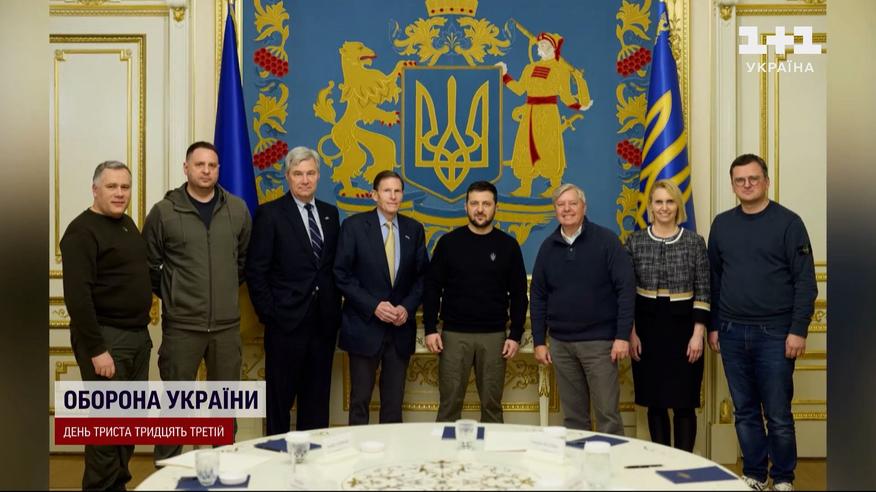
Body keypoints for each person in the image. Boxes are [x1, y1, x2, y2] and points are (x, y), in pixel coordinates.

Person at [707, 154, 816, 491]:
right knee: (745, 411)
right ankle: (755, 473)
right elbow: (714, 279)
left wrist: (798, 330)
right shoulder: (722, 225)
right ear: (733, 185)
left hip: (776, 334)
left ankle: (783, 478)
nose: (747, 185)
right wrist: (714, 325)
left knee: (778, 414)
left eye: (753, 178)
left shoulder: (789, 223)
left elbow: (805, 282)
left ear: (766, 181)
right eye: (740, 180)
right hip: (730, 331)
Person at [142, 141, 252, 460]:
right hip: (182, 327)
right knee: (176, 409)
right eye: (199, 164)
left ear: (219, 170)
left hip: (226, 329)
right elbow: (148, 264)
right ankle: (167, 472)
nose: (206, 171)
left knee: (224, 408)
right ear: (186, 168)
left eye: (212, 165)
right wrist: (174, 293)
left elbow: (243, 262)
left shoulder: (237, 209)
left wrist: (222, 291)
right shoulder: (164, 211)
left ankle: (223, 472)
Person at [60, 161, 154, 490]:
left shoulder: (126, 223)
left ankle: (117, 485)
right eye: (111, 186)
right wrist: (97, 349)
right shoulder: (81, 231)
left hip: (136, 337)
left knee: (130, 421)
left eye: (125, 187)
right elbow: (77, 297)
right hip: (106, 340)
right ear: (95, 189)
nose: (119, 193)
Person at [245, 146, 341, 434]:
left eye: (310, 173)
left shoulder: (330, 214)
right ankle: (277, 455)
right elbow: (256, 270)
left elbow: (331, 268)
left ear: (319, 176)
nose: (305, 180)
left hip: (323, 325)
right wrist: (271, 315)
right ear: (287, 176)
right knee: (279, 402)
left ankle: (313, 457)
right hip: (285, 325)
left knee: (316, 402)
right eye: (298, 174)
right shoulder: (270, 214)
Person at [530, 183, 635, 434]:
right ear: (555, 210)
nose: (567, 209)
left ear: (584, 207)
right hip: (561, 345)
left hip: (600, 344)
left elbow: (626, 289)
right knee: (574, 420)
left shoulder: (606, 241)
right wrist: (539, 341)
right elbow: (538, 296)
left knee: (607, 416)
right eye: (561, 204)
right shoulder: (548, 247)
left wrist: (622, 336)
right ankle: (578, 461)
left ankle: (613, 460)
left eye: (572, 203)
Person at [423, 181, 528, 423]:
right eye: (474, 203)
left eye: (486, 204)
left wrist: (515, 334)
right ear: (466, 206)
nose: (480, 209)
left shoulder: (508, 246)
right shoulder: (448, 243)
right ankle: (446, 449)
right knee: (449, 406)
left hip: (494, 337)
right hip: (453, 336)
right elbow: (432, 288)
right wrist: (430, 328)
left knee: (492, 407)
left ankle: (492, 449)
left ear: (496, 207)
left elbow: (519, 293)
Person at [333, 170, 428, 425]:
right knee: (359, 401)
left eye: (397, 191)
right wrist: (374, 306)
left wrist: (407, 307)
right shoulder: (353, 227)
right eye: (387, 191)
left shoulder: (414, 229)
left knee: (393, 404)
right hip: (364, 328)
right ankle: (357, 451)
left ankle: (391, 452)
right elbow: (341, 275)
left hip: (399, 330)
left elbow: (423, 277)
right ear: (375, 195)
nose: (393, 196)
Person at [625, 179, 709, 452]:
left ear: (678, 206)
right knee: (655, 402)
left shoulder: (695, 242)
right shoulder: (635, 241)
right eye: (659, 202)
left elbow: (704, 289)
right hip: (646, 331)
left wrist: (698, 335)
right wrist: (631, 333)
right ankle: (663, 461)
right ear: (650, 206)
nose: (664, 207)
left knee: (684, 403)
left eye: (670, 201)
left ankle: (684, 463)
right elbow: (626, 293)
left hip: (685, 330)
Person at [496, 31, 592, 197]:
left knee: (549, 148)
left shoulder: (561, 70)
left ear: (553, 48)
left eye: (544, 44)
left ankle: (554, 186)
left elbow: (566, 97)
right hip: (530, 113)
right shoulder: (530, 68)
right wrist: (505, 76)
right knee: (526, 147)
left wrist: (579, 105)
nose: (540, 47)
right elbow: (519, 89)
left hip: (548, 112)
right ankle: (525, 186)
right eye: (539, 44)